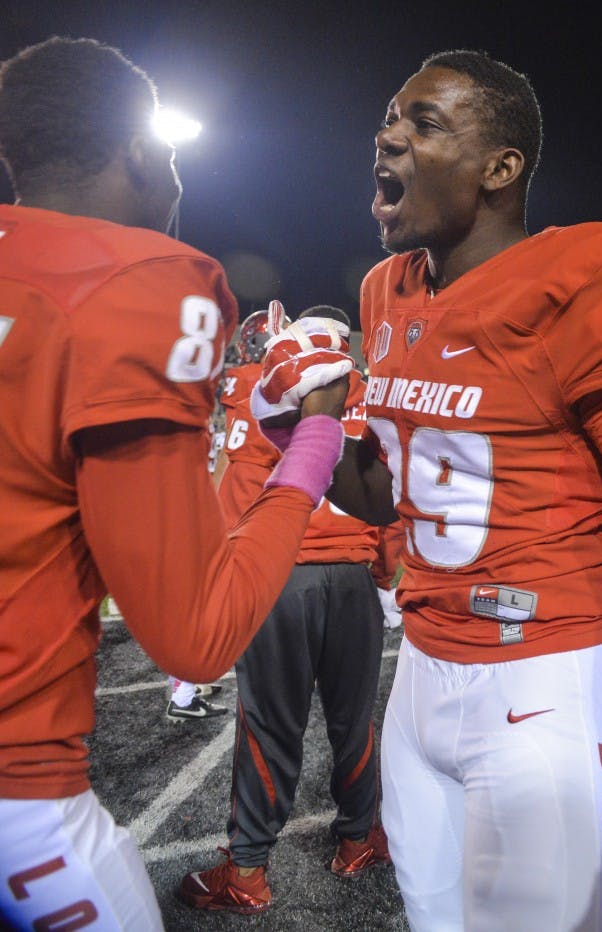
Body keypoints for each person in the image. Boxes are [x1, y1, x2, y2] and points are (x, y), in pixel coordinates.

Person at [262, 50, 602, 932]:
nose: (388, 135)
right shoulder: (385, 292)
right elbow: (387, 493)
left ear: (501, 168)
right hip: (421, 677)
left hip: (542, 686)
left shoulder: (587, 282)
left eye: (425, 122)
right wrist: (299, 428)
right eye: (389, 118)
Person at [0, 37, 348, 930]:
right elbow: (196, 636)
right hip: (18, 791)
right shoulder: (142, 280)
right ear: (145, 154)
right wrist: (313, 445)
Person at [179, 304, 389, 914]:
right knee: (354, 722)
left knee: (269, 727)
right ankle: (357, 840)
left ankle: (247, 871)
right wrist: (382, 572)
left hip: (280, 577)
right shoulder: (369, 395)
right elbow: (390, 498)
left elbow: (234, 493)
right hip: (352, 578)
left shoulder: (263, 390)